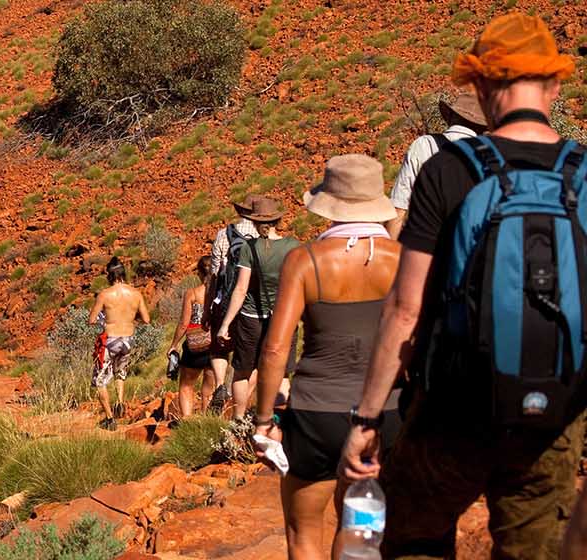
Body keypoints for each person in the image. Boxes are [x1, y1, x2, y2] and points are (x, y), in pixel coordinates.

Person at [342, 15, 587, 559]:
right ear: (554, 85)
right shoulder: (584, 174)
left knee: (414, 538)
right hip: (555, 415)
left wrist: (367, 417)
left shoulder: (448, 170)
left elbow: (405, 310)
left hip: (454, 408)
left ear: (480, 84)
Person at [251, 155, 403, 560]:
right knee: (360, 532)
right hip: (385, 414)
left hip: (315, 413)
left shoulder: (304, 260)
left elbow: (275, 348)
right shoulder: (403, 258)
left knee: (303, 532)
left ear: (329, 204)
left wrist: (264, 421)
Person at [215, 195, 299, 420]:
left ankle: (239, 421)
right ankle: (279, 422)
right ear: (277, 221)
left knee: (243, 371)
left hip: (251, 318)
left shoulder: (249, 248)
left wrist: (225, 325)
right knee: (282, 374)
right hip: (283, 318)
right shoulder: (293, 246)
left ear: (254, 221)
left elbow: (241, 289)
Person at [385, 92, 488, 238]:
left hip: (425, 242)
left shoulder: (424, 145)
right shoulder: (490, 157)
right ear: (482, 129)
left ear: (450, 116)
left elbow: (399, 206)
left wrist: (390, 247)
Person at [206, 199, 262, 411]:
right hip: (253, 306)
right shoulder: (263, 238)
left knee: (219, 349)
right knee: (252, 358)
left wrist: (208, 308)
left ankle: (220, 385)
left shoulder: (224, 234)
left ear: (239, 211)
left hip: (225, 301)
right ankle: (239, 403)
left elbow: (214, 275)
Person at [90, 257, 149, 429]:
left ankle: (110, 419)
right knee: (120, 372)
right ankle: (120, 403)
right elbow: (146, 319)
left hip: (110, 340)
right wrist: (129, 318)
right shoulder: (136, 294)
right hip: (128, 339)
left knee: (100, 381)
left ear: (110, 275)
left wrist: (105, 319)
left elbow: (91, 320)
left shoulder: (104, 294)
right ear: (124, 273)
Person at [169, 256, 218, 419]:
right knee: (209, 387)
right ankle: (206, 420)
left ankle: (187, 421)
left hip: (195, 345)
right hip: (215, 344)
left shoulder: (192, 293)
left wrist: (173, 345)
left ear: (199, 273)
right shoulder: (220, 293)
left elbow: (184, 323)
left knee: (186, 384)